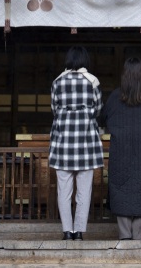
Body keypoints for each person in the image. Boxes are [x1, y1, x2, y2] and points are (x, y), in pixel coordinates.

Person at [98, 57, 141, 241]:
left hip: (120, 156)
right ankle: (139, 240)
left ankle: (125, 237)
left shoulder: (114, 98)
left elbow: (102, 119)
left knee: (121, 194)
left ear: (124, 76)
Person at [49, 45, 103, 241]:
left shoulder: (57, 82)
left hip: (62, 146)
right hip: (86, 147)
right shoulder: (93, 82)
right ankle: (79, 231)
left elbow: (54, 109)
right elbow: (98, 109)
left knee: (63, 192)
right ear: (85, 60)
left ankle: (66, 231)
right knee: (84, 192)